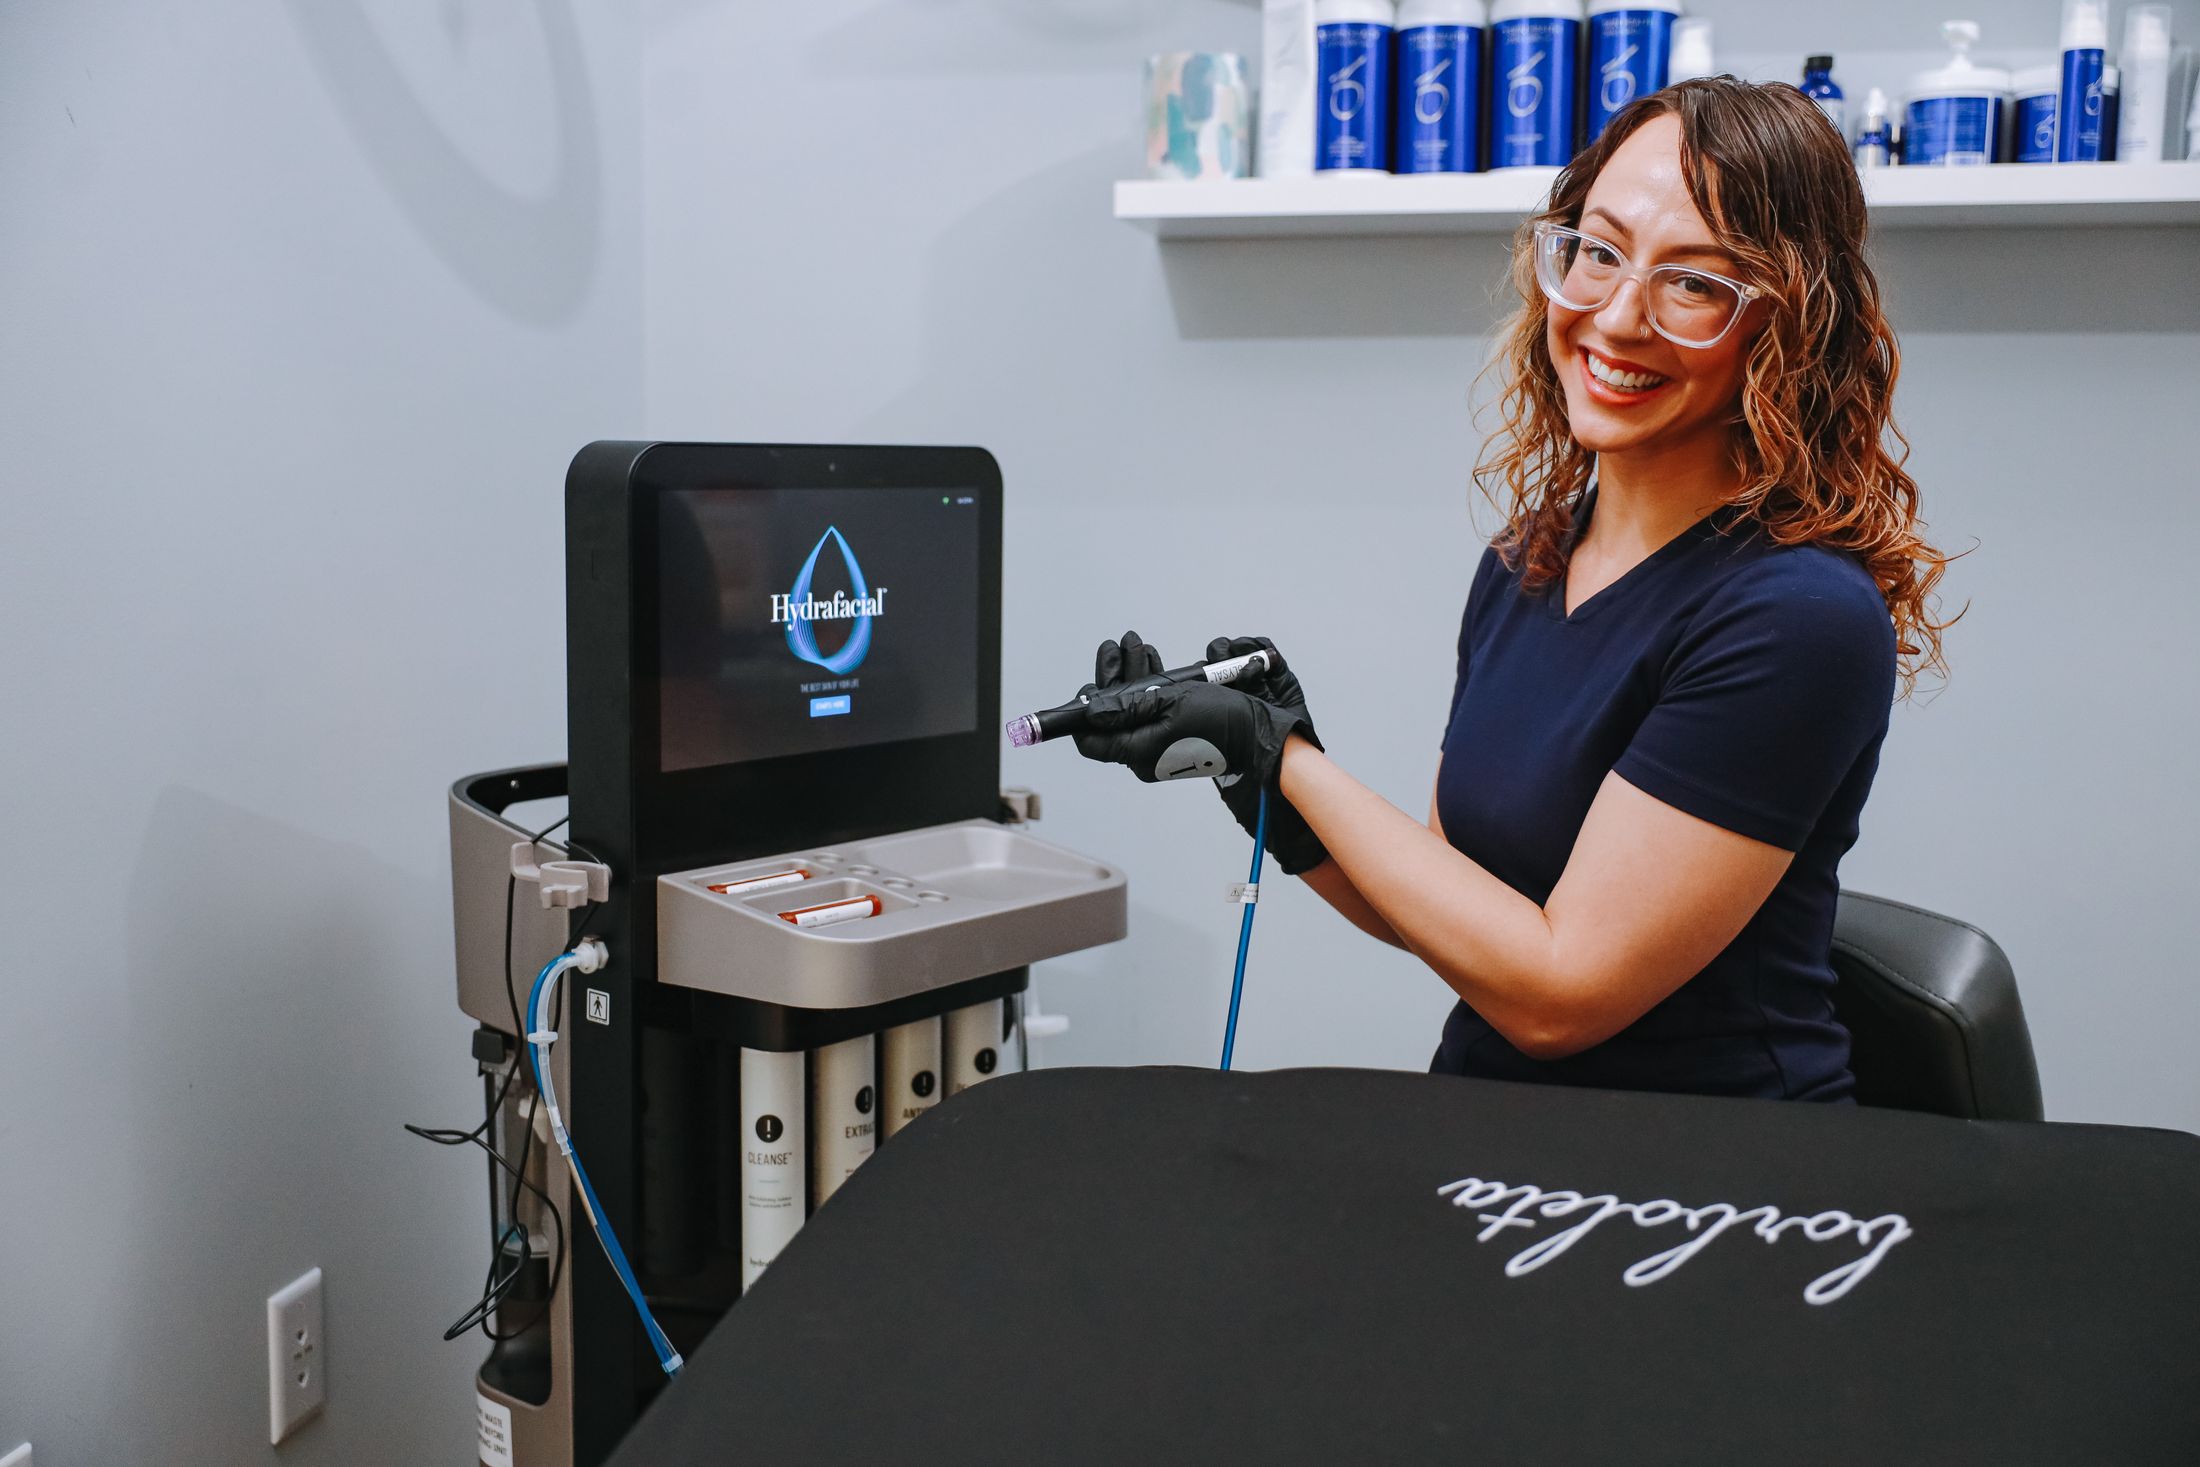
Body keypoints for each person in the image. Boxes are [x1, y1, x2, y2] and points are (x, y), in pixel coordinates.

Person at [1072, 78, 1955, 1103]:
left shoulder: (1796, 616)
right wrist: (1252, 769)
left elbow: (1555, 994)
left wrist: (1296, 766)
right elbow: (1462, 911)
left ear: (1789, 326)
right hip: (1492, 1132)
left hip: (1713, 1173)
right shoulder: (1529, 558)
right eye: (1598, 249)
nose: (1617, 317)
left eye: (1695, 284)